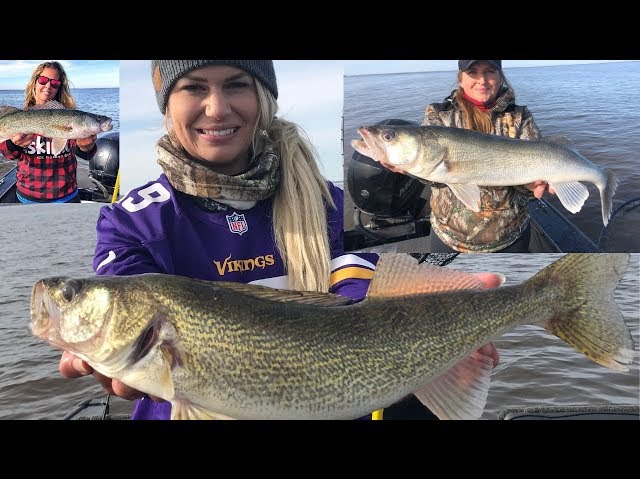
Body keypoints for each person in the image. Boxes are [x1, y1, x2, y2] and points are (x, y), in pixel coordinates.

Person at [58, 60, 501, 420]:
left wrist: (446, 338)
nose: (216, 108)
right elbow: (130, 299)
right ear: (166, 105)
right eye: (193, 88)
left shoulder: (329, 202)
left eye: (236, 85)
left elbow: (360, 298)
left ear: (263, 99)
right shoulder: (132, 221)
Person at [422, 60, 556, 253]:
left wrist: (530, 186)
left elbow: (528, 190)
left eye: (490, 72)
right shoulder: (439, 115)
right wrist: (408, 168)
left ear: (500, 76)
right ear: (460, 78)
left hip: (510, 239)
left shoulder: (520, 116)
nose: (482, 80)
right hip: (449, 239)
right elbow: (434, 178)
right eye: (473, 72)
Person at [0, 61, 97, 203]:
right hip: (28, 194)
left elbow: (85, 154)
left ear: (59, 87)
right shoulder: (20, 114)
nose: (48, 86)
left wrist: (86, 146)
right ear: (35, 82)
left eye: (54, 83)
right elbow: (9, 154)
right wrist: (15, 145)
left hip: (66, 194)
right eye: (43, 80)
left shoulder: (69, 117)